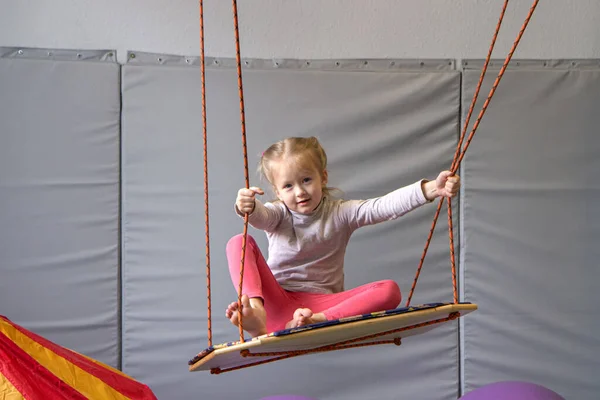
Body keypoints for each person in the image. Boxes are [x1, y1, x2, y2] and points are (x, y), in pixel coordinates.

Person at [225, 136, 460, 338]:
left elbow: (382, 206)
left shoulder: (341, 213)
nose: (299, 191)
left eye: (306, 180)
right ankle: (255, 312)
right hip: (276, 304)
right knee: (238, 242)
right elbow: (259, 216)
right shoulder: (278, 214)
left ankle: (315, 322)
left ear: (323, 177)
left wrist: (431, 189)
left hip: (323, 307)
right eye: (288, 186)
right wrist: (248, 206)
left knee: (390, 290)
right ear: (277, 192)